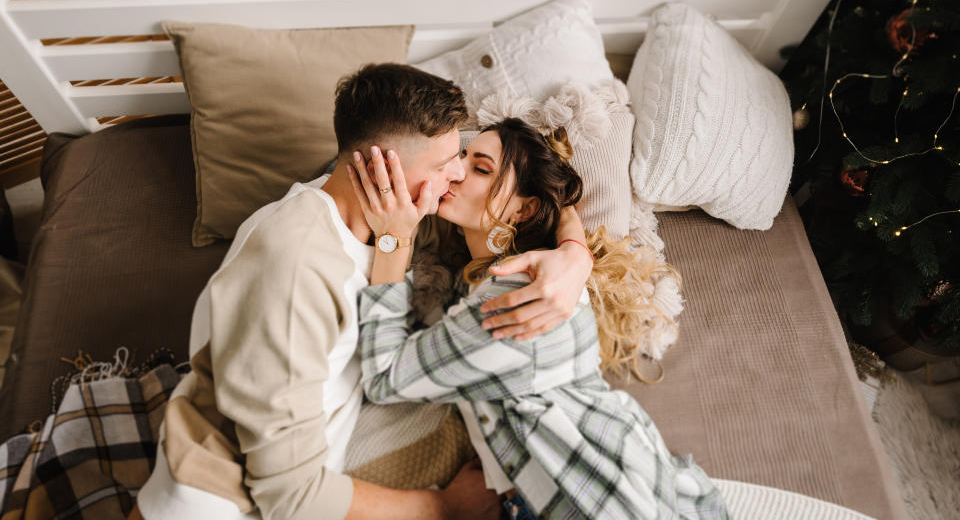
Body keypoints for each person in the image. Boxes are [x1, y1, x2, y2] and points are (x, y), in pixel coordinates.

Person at [134, 64, 596, 520]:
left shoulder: (392, 209)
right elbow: (291, 499)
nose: (457, 174)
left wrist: (575, 252)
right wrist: (446, 506)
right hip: (221, 503)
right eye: (447, 164)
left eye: (463, 158)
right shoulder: (298, 270)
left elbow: (525, 182)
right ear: (379, 167)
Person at [349, 118, 732, 520]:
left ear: (524, 209)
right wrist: (574, 246)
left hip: (611, 501)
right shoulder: (495, 278)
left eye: (480, 168)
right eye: (461, 157)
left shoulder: (517, 291)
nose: (457, 171)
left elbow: (384, 376)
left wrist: (394, 239)